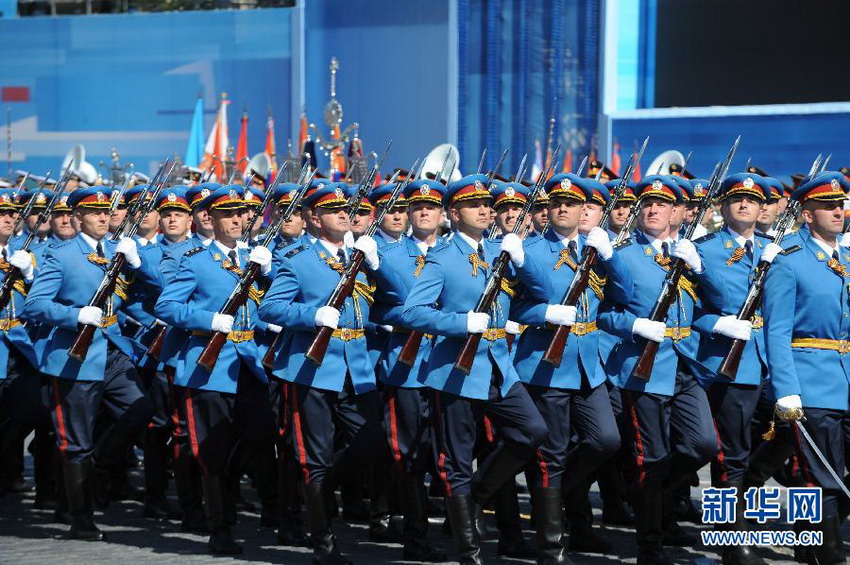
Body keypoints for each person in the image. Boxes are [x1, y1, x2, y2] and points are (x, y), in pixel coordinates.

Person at [400, 174, 549, 564]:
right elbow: (414, 312)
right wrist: (459, 323)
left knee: (532, 431)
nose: (485, 210)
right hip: (456, 370)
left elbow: (542, 291)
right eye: (474, 205)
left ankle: (478, 494)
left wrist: (521, 259)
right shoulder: (442, 258)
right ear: (454, 212)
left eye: (488, 205)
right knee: (457, 461)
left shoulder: (500, 250)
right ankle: (469, 552)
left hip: (499, 366)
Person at [258, 182, 400, 564]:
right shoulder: (297, 258)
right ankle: (323, 543)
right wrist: (311, 316)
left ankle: (314, 493)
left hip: (358, 369)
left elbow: (402, 296)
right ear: (315, 218)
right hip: (313, 370)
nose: (343, 213)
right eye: (333, 209)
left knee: (374, 444)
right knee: (315, 458)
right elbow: (270, 309)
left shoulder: (364, 254)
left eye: (346, 208)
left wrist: (377, 265)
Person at [597, 175, 728, 565]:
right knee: (651, 457)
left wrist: (700, 267)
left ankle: (650, 496)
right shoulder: (623, 256)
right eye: (646, 204)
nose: (652, 210)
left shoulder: (687, 253)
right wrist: (634, 325)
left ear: (677, 212)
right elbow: (604, 312)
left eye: (661, 205)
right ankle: (649, 546)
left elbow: (721, 301)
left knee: (703, 444)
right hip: (644, 367)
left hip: (686, 363)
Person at [510, 173, 633, 561]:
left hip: (588, 365)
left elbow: (628, 296)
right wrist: (544, 312)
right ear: (548, 210)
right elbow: (509, 308)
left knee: (605, 440)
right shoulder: (528, 250)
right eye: (557, 203)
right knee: (553, 454)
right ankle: (551, 544)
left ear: (585, 211)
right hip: (546, 364)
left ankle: (558, 497)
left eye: (572, 204)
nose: (563, 208)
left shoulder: (595, 251)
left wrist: (612, 258)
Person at [24, 185, 154, 541]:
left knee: (142, 410)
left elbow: (141, 294)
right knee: (75, 440)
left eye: (106, 211)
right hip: (74, 357)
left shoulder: (118, 250)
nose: (102, 217)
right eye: (94, 212)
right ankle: (80, 518)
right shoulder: (62, 255)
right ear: (78, 217)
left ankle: (97, 465)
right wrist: (75, 314)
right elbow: (34, 305)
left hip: (112, 352)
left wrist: (140, 264)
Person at [155, 185, 277, 555]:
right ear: (210, 218)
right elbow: (168, 306)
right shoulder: (195, 259)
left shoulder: (256, 259)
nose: (237, 220)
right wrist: (209, 319)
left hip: (251, 364)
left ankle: (276, 514)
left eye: (241, 214)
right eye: (228, 214)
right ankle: (219, 528)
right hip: (210, 366)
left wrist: (270, 274)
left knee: (261, 438)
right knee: (212, 451)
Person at [691, 173, 783, 565]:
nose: (744, 205)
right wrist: (715, 323)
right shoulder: (705, 251)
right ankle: (731, 537)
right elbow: (685, 313)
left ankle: (744, 519)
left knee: (779, 442)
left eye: (751, 200)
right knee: (731, 453)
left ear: (763, 208)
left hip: (774, 360)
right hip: (732, 361)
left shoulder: (776, 250)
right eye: (736, 199)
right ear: (724, 207)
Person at [762, 171, 850, 564]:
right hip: (812, 381)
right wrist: (786, 388)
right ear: (807, 213)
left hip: (846, 378)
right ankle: (821, 554)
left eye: (841, 205)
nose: (838, 212)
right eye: (828, 206)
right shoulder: (790, 260)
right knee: (822, 478)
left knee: (829, 478)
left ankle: (809, 542)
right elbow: (777, 331)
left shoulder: (845, 259)